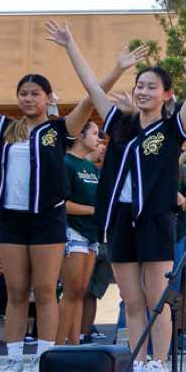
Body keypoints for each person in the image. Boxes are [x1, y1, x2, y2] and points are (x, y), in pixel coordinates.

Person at [0, 34, 143, 372]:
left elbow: (91, 97)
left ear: (47, 98)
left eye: (35, 93)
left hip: (47, 220)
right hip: (12, 219)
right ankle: (13, 360)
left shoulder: (59, 130)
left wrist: (117, 69)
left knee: (44, 290)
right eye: (23, 93)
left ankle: (43, 357)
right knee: (16, 292)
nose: (28, 98)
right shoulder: (7, 128)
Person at [50, 23, 186, 372]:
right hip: (120, 219)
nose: (144, 91)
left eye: (152, 86)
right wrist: (70, 44)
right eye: (140, 86)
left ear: (167, 94)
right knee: (132, 300)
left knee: (156, 300)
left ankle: (159, 365)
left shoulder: (172, 128)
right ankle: (137, 362)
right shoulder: (120, 124)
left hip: (154, 219)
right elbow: (92, 88)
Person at [58, 120, 105, 347]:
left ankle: (74, 344)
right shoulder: (66, 163)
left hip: (91, 234)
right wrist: (93, 210)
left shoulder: (90, 167)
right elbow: (62, 203)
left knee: (81, 292)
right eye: (94, 133)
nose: (99, 138)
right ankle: (57, 346)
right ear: (79, 135)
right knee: (71, 290)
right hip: (73, 231)